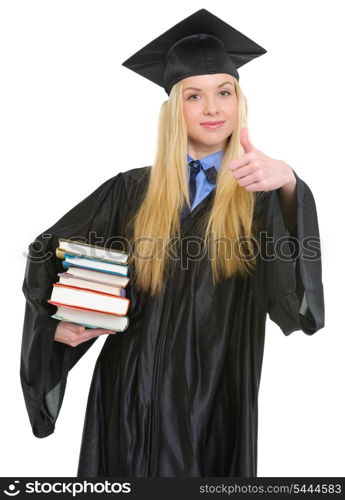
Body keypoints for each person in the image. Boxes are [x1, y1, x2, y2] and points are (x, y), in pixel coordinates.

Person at [20, 8, 325, 477]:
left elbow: (294, 307)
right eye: (194, 95)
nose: (212, 108)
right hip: (127, 392)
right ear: (173, 109)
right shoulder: (130, 191)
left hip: (213, 400)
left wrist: (289, 186)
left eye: (225, 92)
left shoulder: (259, 197)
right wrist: (57, 324)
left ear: (239, 103)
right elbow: (47, 252)